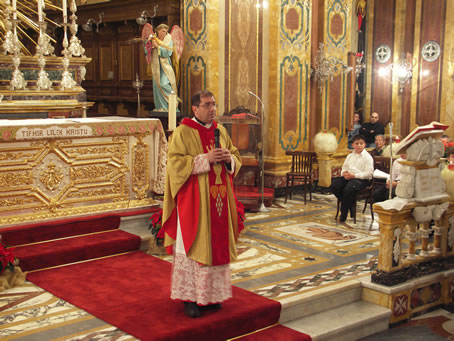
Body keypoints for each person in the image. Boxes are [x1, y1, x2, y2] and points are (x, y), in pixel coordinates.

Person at [161, 90, 244, 318]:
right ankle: (190, 298)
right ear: (195, 109)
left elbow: (236, 156)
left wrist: (230, 160)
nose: (212, 109)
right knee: (193, 245)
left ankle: (211, 296)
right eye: (207, 105)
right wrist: (204, 159)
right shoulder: (183, 132)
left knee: (216, 246)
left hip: (218, 200)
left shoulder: (221, 130)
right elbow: (174, 165)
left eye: (214, 104)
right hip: (194, 203)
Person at [331, 134, 374, 222]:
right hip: (349, 177)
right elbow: (344, 168)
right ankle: (350, 205)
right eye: (356, 143)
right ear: (353, 145)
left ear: (364, 144)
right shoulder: (350, 156)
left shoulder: (368, 158)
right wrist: (345, 173)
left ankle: (344, 213)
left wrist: (354, 175)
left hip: (361, 179)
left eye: (361, 143)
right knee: (334, 185)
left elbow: (369, 174)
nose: (359, 145)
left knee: (349, 189)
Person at [145, 24, 178, 111]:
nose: (165, 33)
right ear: (158, 31)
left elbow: (169, 52)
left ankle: (173, 103)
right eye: (163, 31)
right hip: (156, 66)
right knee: (157, 86)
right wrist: (149, 44)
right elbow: (146, 51)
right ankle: (161, 107)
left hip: (165, 66)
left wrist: (157, 47)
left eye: (166, 31)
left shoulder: (169, 39)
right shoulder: (153, 38)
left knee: (164, 84)